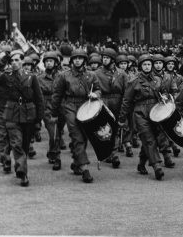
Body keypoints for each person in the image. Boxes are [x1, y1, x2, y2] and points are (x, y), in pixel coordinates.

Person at [0, 49, 44, 187]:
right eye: (12, 60)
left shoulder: (31, 77)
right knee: (16, 143)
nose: (14, 63)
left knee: (24, 145)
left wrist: (38, 122)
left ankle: (22, 167)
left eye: (17, 60)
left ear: (23, 61)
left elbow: (39, 99)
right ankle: (22, 172)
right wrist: (1, 62)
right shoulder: (6, 76)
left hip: (28, 114)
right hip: (12, 114)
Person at [50, 48, 101, 183]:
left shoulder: (91, 75)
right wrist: (54, 113)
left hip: (86, 106)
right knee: (77, 135)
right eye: (75, 58)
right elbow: (57, 95)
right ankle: (85, 168)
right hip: (70, 106)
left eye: (80, 58)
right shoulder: (64, 75)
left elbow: (97, 89)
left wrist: (96, 94)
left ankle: (77, 162)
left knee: (84, 136)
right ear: (72, 60)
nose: (78, 60)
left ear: (84, 60)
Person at [119, 54, 165, 180]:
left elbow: (163, 92)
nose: (147, 66)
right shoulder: (133, 81)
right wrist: (122, 119)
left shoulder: (157, 80)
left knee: (152, 138)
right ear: (140, 66)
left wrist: (164, 97)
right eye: (144, 64)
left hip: (155, 112)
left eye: (149, 64)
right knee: (148, 139)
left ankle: (141, 164)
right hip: (140, 113)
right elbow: (127, 101)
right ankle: (157, 166)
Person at [94, 48, 127, 166]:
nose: (104, 59)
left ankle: (113, 153)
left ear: (112, 59)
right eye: (103, 57)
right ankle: (111, 153)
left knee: (116, 127)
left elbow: (126, 91)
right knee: (105, 127)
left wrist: (124, 105)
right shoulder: (97, 73)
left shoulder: (121, 73)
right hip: (104, 100)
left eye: (107, 58)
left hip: (117, 101)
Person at [37, 51, 63, 170]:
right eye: (46, 61)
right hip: (46, 106)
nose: (48, 63)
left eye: (51, 61)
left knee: (58, 132)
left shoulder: (61, 76)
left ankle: (52, 152)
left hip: (60, 106)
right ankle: (57, 157)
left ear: (56, 63)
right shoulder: (39, 78)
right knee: (53, 132)